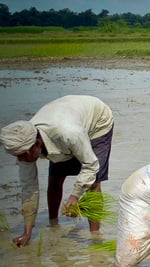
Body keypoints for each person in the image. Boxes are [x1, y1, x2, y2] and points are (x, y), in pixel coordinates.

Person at [0, 95, 114, 247]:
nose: (20, 160)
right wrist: (27, 232)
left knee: (93, 183)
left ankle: (94, 236)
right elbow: (29, 188)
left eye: (23, 155)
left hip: (97, 121)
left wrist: (74, 196)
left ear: (38, 144)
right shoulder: (23, 145)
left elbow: (90, 164)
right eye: (17, 156)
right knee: (55, 179)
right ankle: (54, 225)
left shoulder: (68, 133)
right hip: (63, 118)